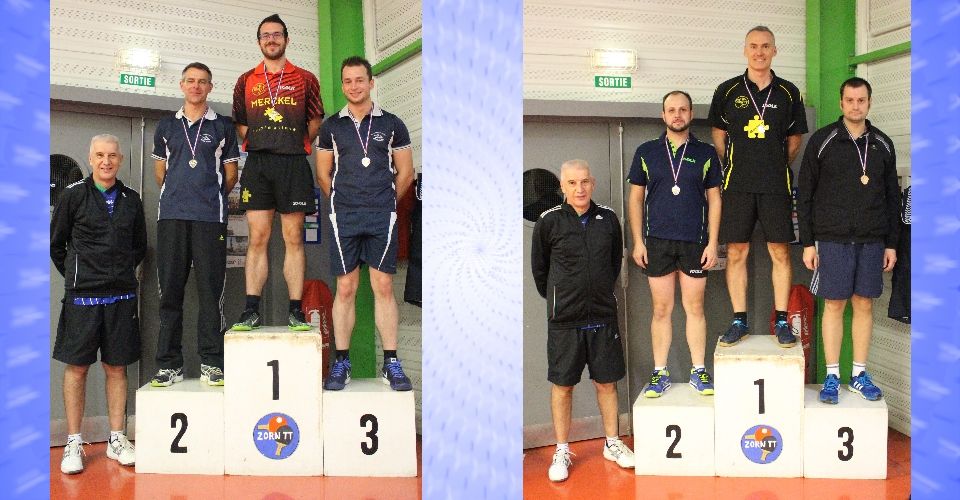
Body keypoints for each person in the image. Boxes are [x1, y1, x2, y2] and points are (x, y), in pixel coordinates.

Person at [797, 77, 900, 404]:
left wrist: (892, 243)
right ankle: (831, 375)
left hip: (872, 240)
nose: (856, 106)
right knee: (834, 304)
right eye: (850, 100)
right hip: (832, 239)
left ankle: (858, 374)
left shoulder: (883, 144)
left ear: (869, 103)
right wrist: (808, 243)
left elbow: (893, 198)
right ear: (842, 103)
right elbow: (805, 193)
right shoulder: (823, 140)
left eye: (861, 100)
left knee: (864, 304)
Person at [531, 160, 634, 482]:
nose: (580, 189)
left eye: (585, 181)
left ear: (593, 183)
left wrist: (597, 292)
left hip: (602, 316)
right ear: (562, 186)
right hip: (565, 320)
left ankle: (612, 443)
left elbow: (614, 262)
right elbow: (540, 271)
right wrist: (562, 299)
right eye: (573, 183)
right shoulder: (548, 221)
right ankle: (562, 449)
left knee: (607, 383)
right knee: (563, 386)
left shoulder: (608, 219)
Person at [316, 57, 415, 391]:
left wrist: (384, 202)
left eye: (360, 80)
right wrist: (342, 202)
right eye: (347, 81)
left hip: (380, 216)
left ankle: (391, 363)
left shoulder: (393, 123)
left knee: (383, 286)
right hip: (344, 216)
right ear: (342, 84)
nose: (354, 86)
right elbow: (323, 174)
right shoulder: (331, 127)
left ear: (371, 82)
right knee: (345, 287)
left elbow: (406, 173)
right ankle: (342, 362)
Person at [51, 134, 146, 474]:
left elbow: (139, 247)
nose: (106, 161)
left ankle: (116, 439)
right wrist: (80, 276)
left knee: (116, 368)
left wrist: (117, 274)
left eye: (112, 156)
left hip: (121, 299)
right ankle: (74, 442)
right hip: (82, 299)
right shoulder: (72, 195)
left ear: (120, 160)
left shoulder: (132, 199)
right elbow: (57, 246)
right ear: (90, 159)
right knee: (77, 368)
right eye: (100, 155)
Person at [708, 25, 808, 347]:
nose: (759, 52)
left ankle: (781, 321)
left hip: (776, 185)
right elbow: (719, 135)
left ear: (774, 51)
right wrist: (735, 163)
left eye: (765, 46)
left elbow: (794, 140)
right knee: (737, 251)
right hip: (737, 184)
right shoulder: (727, 90)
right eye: (753, 46)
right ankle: (739, 320)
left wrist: (773, 164)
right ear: (745, 50)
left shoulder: (789, 92)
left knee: (780, 251)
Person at [149, 62, 240, 387]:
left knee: (211, 293)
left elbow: (231, 176)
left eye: (202, 81)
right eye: (190, 80)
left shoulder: (223, 126)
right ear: (182, 85)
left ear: (210, 87)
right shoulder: (166, 126)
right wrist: (180, 193)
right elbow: (160, 173)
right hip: (172, 217)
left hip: (210, 219)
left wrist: (207, 196)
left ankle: (212, 363)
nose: (196, 86)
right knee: (169, 294)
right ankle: (169, 365)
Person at [231, 13, 323, 331]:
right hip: (258, 165)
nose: (271, 39)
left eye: (277, 34)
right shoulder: (246, 80)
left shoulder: (306, 79)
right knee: (257, 237)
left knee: (293, 237)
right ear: (259, 42)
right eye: (265, 35)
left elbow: (315, 121)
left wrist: (291, 143)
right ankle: (251, 310)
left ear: (286, 39)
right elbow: (241, 124)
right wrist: (265, 141)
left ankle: (295, 310)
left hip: (293, 164)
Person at [628, 91, 723, 398]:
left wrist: (713, 242)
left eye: (683, 109)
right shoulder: (646, 152)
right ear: (663, 115)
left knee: (695, 307)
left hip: (695, 243)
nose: (677, 114)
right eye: (671, 110)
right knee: (661, 309)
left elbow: (715, 199)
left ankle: (699, 371)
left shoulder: (706, 153)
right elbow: (635, 199)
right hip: (656, 242)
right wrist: (638, 241)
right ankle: (660, 372)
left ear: (691, 114)